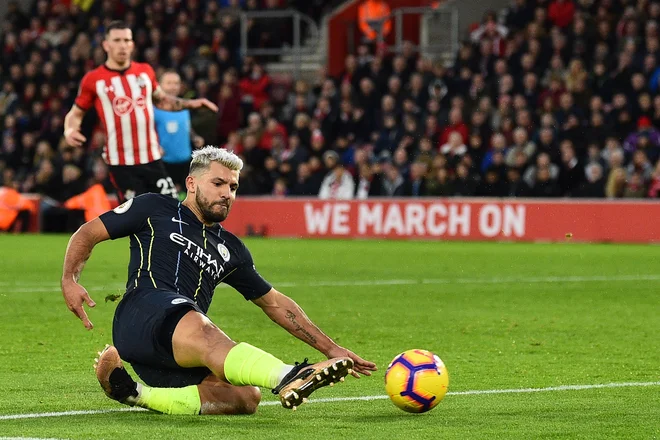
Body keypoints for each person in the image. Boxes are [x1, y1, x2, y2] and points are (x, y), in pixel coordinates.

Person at [61, 146, 376, 415]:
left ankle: (133, 393)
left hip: (172, 349)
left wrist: (332, 349)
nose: (227, 193)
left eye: (234, 187)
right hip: (140, 314)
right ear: (192, 183)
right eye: (218, 183)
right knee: (202, 326)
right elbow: (88, 232)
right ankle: (289, 375)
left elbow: (275, 303)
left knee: (245, 397)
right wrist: (70, 279)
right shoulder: (154, 207)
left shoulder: (232, 249)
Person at [63, 21, 218, 202]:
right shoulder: (94, 80)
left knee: (170, 208)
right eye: (117, 40)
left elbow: (163, 100)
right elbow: (76, 113)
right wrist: (70, 129)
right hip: (121, 162)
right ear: (106, 45)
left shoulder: (144, 72)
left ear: (132, 44)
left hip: (152, 158)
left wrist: (192, 104)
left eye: (126, 40)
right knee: (136, 216)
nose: (122, 45)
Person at [154, 70, 205, 191]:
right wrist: (155, 146)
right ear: (159, 85)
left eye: (176, 83)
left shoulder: (184, 107)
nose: (173, 87)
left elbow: (186, 127)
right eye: (169, 83)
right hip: (163, 163)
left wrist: (194, 137)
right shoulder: (153, 109)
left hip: (185, 161)